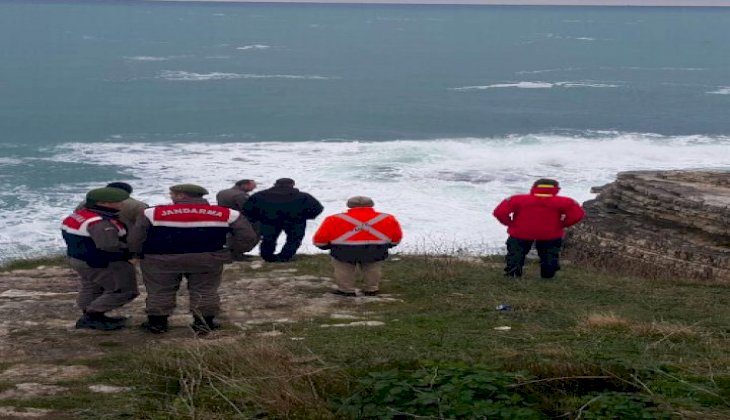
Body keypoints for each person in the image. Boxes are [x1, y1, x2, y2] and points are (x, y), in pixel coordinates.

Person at [127, 184, 258, 334]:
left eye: (172, 194)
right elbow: (248, 237)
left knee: (160, 291)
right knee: (205, 290)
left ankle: (158, 324)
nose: (171, 196)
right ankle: (203, 324)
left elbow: (136, 238)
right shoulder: (228, 214)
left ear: (181, 196)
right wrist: (232, 253)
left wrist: (137, 253)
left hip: (160, 260)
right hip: (207, 258)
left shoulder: (152, 213)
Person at [61, 187, 139, 330]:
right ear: (103, 203)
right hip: (102, 262)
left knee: (92, 287)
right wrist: (131, 253)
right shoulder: (100, 222)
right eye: (117, 201)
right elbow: (109, 245)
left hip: (79, 259)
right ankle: (93, 315)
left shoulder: (79, 216)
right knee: (124, 291)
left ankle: (91, 315)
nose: (122, 203)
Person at [492, 178, 585, 279]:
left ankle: (513, 275)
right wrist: (562, 224)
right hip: (550, 233)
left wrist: (510, 223)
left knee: (516, 254)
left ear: (534, 187)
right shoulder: (566, 202)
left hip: (520, 232)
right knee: (549, 255)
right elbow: (577, 215)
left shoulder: (517, 199)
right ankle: (548, 278)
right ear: (556, 189)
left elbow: (499, 212)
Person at [313, 196, 403, 297]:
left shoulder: (333, 219)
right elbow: (396, 237)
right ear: (371, 205)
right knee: (373, 269)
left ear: (349, 205)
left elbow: (320, 238)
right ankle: (372, 289)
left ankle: (346, 290)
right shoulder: (388, 218)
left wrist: (324, 246)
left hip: (344, 249)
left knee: (343, 270)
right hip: (375, 249)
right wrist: (390, 245)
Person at [243, 178, 323, 263]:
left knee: (268, 239)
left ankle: (268, 257)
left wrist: (258, 218)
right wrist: (305, 216)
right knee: (294, 239)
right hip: (295, 221)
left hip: (269, 221)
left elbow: (247, 209)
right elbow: (317, 208)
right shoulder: (303, 196)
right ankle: (285, 257)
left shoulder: (260, 195)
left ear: (275, 184)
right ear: (292, 185)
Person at [76, 182, 148, 228]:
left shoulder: (87, 202)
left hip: (85, 236)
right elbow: (145, 226)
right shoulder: (139, 205)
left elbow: (76, 217)